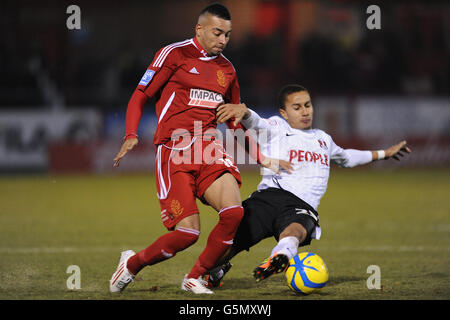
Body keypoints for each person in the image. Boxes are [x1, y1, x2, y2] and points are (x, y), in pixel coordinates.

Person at [108, 3, 283, 295]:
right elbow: (140, 95)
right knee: (187, 233)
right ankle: (131, 264)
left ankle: (195, 276)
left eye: (227, 34)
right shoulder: (173, 54)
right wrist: (130, 133)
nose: (223, 40)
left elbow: (235, 121)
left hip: (209, 150)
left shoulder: (227, 70)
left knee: (233, 213)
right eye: (217, 33)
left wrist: (260, 157)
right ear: (199, 29)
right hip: (174, 151)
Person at [204, 84, 411, 287]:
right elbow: (258, 122)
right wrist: (245, 111)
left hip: (301, 205)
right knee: (226, 247)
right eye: (297, 107)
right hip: (268, 197)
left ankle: (280, 256)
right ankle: (215, 269)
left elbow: (347, 157)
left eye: (308, 105)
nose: (305, 111)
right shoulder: (278, 127)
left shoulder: (324, 139)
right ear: (284, 113)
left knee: (295, 230)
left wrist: (385, 154)